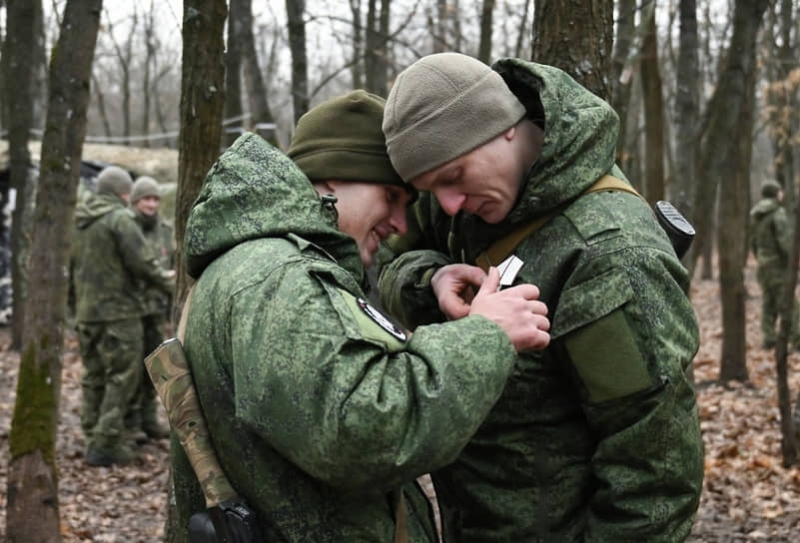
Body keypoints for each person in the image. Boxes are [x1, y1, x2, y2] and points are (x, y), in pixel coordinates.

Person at [172, 90, 550, 541]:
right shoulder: (278, 277)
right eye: (390, 196)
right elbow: (361, 432)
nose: (399, 223)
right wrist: (486, 334)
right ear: (332, 180)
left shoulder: (260, 265)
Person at [378, 52, 704, 542]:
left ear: (502, 126)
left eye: (452, 177)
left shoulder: (610, 255)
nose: (447, 204)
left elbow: (654, 478)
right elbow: (386, 262)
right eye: (428, 190)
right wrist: (430, 282)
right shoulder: (470, 198)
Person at [73, 165, 175, 466]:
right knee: (123, 376)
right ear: (123, 193)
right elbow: (143, 263)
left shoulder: (79, 221)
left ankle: (93, 431)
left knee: (93, 375)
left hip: (87, 312)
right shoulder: (121, 219)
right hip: (119, 313)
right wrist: (172, 285)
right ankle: (106, 441)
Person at [125, 176, 175, 441]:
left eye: (155, 199)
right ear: (135, 201)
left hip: (155, 309)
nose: (151, 204)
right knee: (129, 370)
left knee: (153, 369)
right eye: (146, 198)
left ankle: (148, 419)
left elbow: (172, 267)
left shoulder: (165, 231)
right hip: (130, 309)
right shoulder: (126, 227)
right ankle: (131, 423)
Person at [750, 179, 800, 350]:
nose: (782, 194)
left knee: (768, 302)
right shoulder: (778, 213)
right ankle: (797, 341)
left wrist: (761, 258)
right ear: (775, 193)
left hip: (763, 265)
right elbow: (784, 242)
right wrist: (793, 263)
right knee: (790, 304)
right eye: (780, 191)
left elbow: (753, 243)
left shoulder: (755, 214)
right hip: (778, 266)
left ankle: (769, 338)